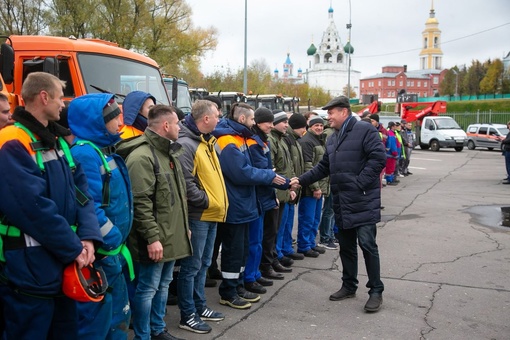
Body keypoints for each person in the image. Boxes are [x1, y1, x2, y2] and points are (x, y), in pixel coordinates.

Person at [0, 72, 102, 338]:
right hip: (30, 268)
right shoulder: (13, 140)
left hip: (62, 264)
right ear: (44, 97)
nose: (63, 105)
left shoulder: (57, 142)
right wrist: (74, 248)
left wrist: (89, 237)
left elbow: (82, 193)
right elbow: (31, 208)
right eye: (59, 98)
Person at [290, 95, 386, 313]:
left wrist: (359, 183)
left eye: (331, 113)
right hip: (342, 201)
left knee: (367, 245)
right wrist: (300, 180)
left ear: (343, 112)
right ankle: (349, 285)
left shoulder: (365, 130)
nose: (328, 117)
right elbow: (324, 167)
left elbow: (378, 158)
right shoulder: (332, 138)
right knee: (347, 247)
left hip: (362, 200)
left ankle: (376, 291)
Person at [117, 104, 192, 340]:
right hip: (156, 239)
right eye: (177, 123)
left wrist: (184, 228)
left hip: (170, 235)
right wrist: (152, 238)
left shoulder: (168, 152)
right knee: (147, 288)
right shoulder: (142, 157)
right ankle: (143, 335)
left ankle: (158, 330)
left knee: (163, 285)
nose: (180, 127)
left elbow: (177, 198)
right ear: (166, 125)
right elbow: (140, 204)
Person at [67, 93, 133, 339]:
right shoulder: (86, 153)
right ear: (97, 122)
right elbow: (88, 204)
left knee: (117, 316)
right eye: (114, 117)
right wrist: (113, 236)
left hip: (111, 252)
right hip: (103, 254)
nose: (120, 122)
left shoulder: (101, 150)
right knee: (100, 321)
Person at [212, 103, 287, 309]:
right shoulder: (227, 139)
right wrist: (270, 175)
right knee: (234, 249)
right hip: (235, 203)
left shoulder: (240, 137)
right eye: (253, 119)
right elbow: (242, 172)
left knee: (242, 249)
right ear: (243, 119)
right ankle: (228, 291)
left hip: (245, 202)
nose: (254, 123)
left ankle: (236, 286)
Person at [176, 100, 228, 334]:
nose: (219, 119)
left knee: (204, 264)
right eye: (217, 115)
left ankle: (199, 306)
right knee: (191, 266)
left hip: (211, 214)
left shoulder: (207, 142)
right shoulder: (187, 144)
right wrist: (208, 201)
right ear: (205, 119)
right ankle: (188, 315)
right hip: (199, 214)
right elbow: (186, 183)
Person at [244, 107, 281, 293]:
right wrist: (279, 180)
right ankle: (249, 277)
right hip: (256, 198)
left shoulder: (261, 141)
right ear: (258, 122)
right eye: (269, 122)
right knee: (253, 241)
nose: (271, 126)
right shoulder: (253, 142)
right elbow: (262, 172)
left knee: (258, 239)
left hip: (263, 197)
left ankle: (256, 273)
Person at [296, 116, 328, 258]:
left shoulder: (318, 140)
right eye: (316, 125)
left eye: (321, 125)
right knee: (307, 218)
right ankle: (304, 245)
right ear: (310, 126)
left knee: (315, 218)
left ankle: (311, 243)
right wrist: (315, 187)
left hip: (319, 187)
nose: (319, 128)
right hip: (310, 189)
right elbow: (308, 167)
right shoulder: (307, 141)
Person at [269, 110, 296, 272]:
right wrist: (274, 194)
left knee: (278, 229)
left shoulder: (282, 140)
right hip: (276, 194)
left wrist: (290, 187)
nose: (287, 125)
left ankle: (275, 258)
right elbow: (271, 170)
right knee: (272, 231)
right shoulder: (272, 140)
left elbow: (288, 167)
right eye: (283, 122)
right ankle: (272, 260)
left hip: (284, 192)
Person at [279, 113, 308, 261]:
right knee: (282, 224)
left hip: (292, 186)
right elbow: (286, 167)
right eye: (303, 127)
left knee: (288, 221)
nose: (305, 130)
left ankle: (286, 248)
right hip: (287, 187)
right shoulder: (287, 140)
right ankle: (280, 252)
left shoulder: (295, 140)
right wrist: (291, 185)